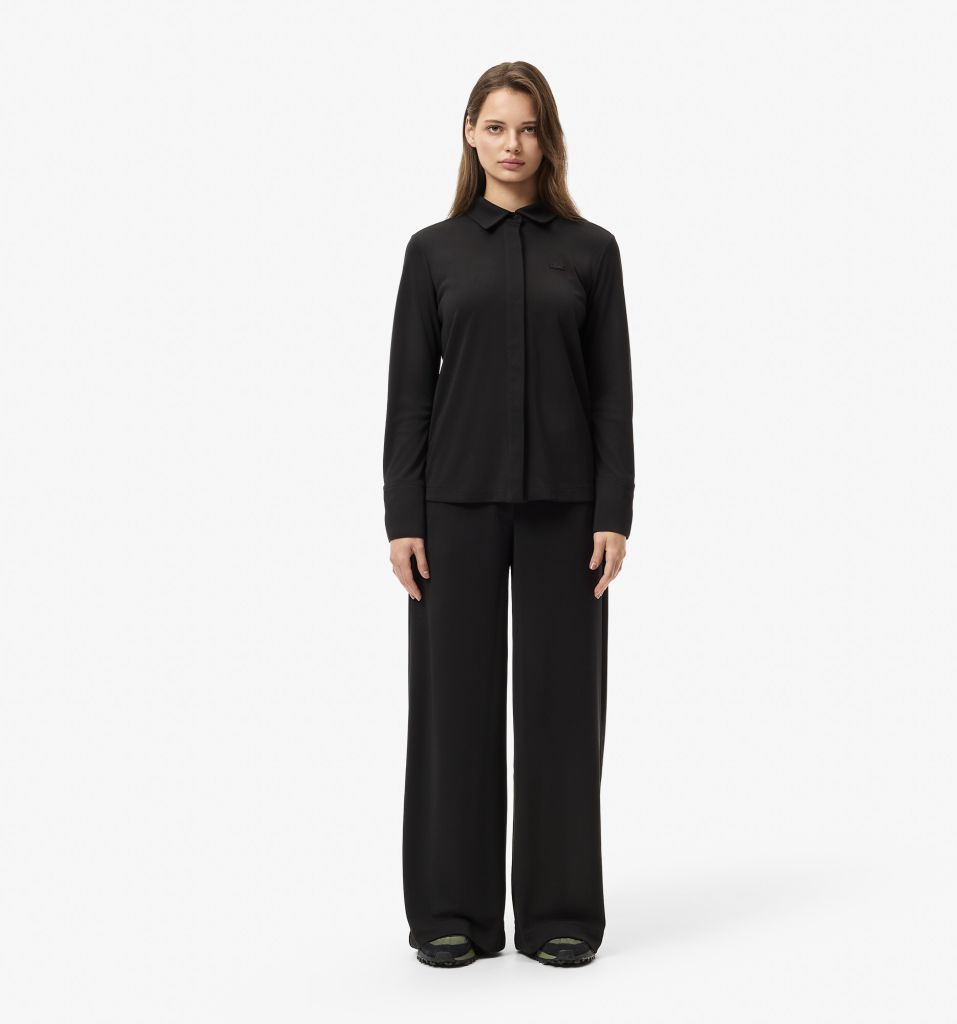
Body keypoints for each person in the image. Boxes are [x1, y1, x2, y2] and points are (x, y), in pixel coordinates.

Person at [382, 61, 635, 969]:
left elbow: (611, 394)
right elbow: (410, 395)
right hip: (452, 505)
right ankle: (451, 912)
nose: (512, 144)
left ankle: (560, 911)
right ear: (470, 134)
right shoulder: (433, 252)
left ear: (548, 138)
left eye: (527, 128)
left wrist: (615, 509)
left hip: (569, 509)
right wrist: (401, 516)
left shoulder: (592, 251)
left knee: (564, 708)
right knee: (452, 707)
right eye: (495, 126)